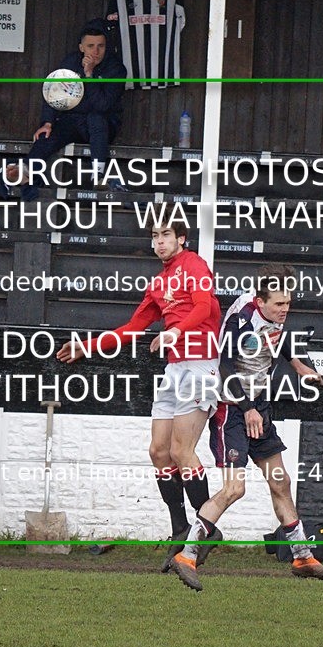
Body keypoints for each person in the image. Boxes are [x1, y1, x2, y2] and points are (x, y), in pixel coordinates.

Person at [57, 205, 223, 566]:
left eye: (166, 234)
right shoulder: (160, 282)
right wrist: (88, 347)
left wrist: (176, 331)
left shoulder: (194, 264)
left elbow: (205, 306)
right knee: (158, 452)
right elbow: (132, 328)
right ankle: (180, 528)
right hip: (175, 369)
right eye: (154, 235)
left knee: (182, 452)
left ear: (181, 238)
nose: (159, 241)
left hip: (199, 366)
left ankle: (205, 528)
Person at [170, 263, 323, 591]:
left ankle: (302, 556)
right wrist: (247, 409)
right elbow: (225, 367)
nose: (284, 309)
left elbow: (283, 340)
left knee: (281, 481)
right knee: (235, 489)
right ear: (260, 301)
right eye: (279, 304)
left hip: (258, 408)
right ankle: (187, 556)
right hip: (232, 410)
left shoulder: (275, 316)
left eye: (288, 303)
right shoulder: (241, 320)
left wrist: (303, 368)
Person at [0, 18, 127, 201]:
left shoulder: (116, 69)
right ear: (81, 47)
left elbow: (102, 105)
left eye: (101, 46)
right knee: (48, 134)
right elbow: (54, 93)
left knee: (96, 118)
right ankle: (23, 169)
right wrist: (47, 122)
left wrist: (89, 76)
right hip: (73, 119)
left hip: (102, 126)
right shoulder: (70, 62)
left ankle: (98, 174)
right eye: (90, 46)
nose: (96, 51)